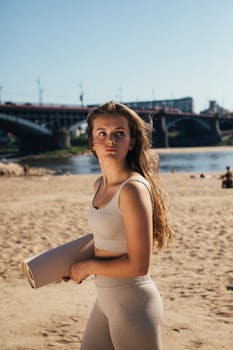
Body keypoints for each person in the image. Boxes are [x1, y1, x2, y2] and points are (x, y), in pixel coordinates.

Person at [70, 101, 173, 350]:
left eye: (119, 134)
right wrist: (68, 263)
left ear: (132, 141)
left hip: (133, 304)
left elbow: (139, 265)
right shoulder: (99, 185)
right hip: (105, 299)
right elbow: (108, 238)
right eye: (102, 134)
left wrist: (88, 266)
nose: (110, 141)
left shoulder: (132, 189)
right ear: (92, 142)